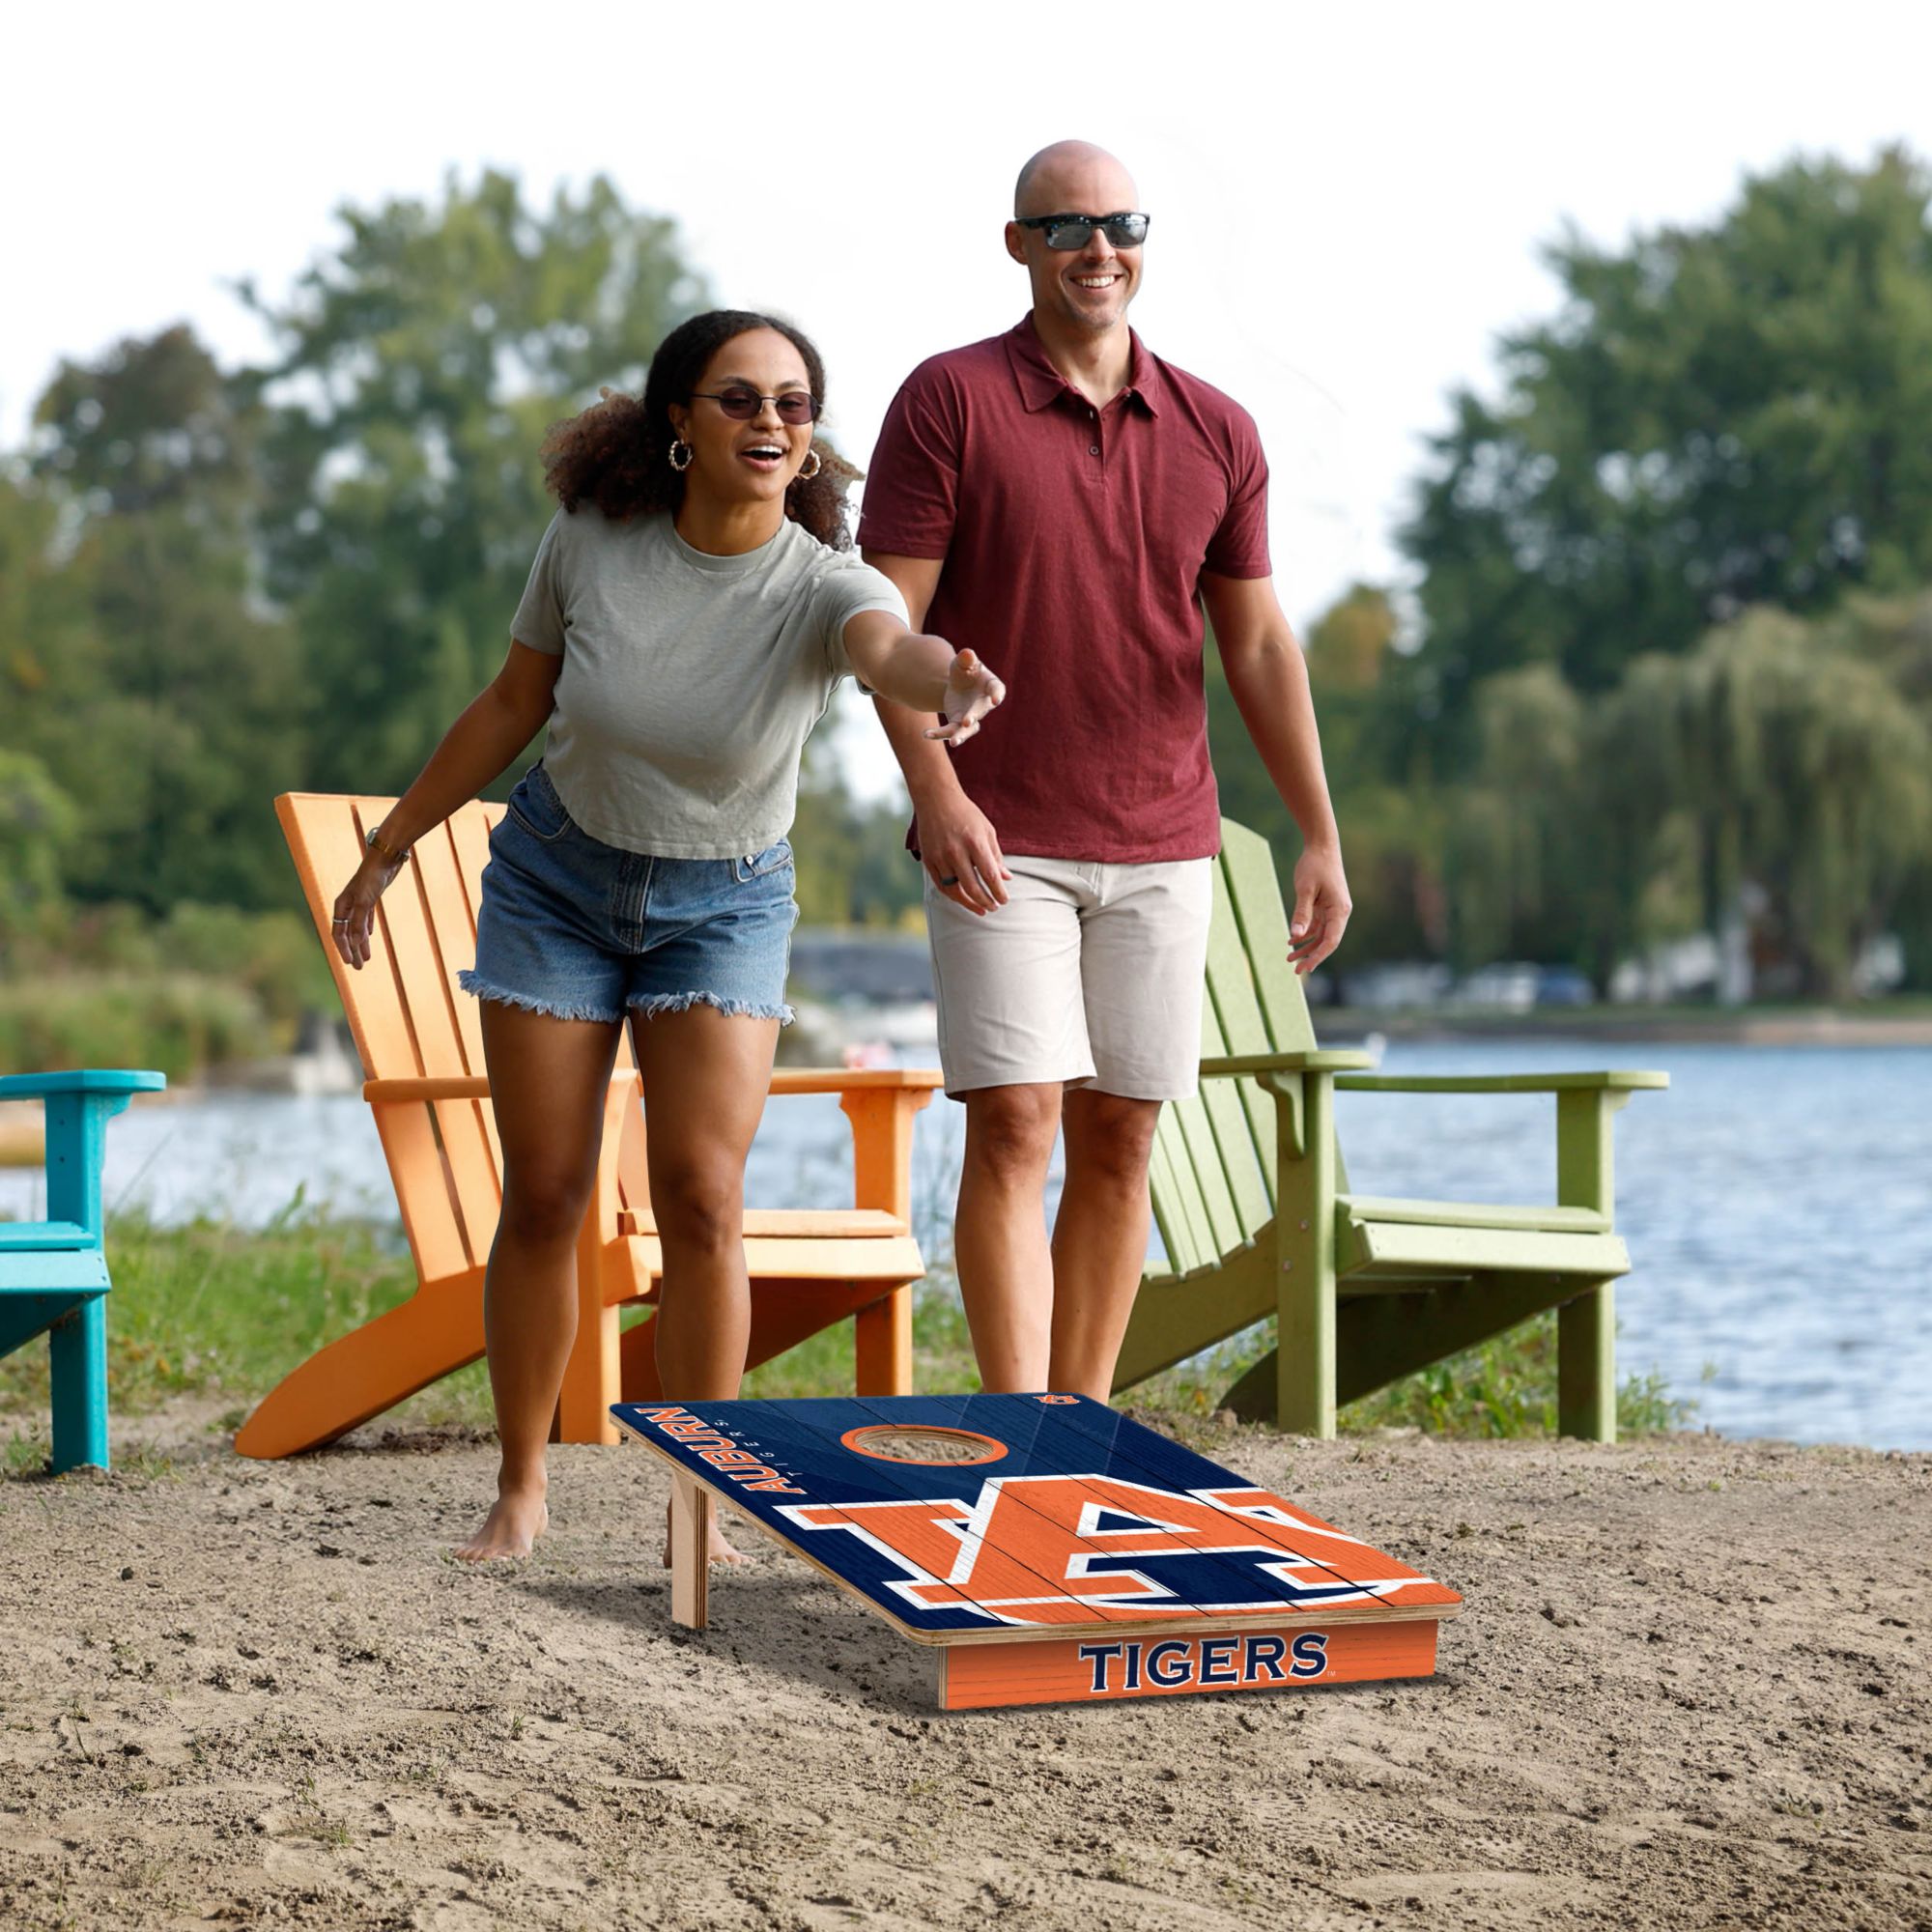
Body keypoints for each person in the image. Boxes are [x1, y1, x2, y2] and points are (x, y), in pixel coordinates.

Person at [329, 309, 1005, 1562]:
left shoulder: (824, 582)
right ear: (680, 425)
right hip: (556, 885)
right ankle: (522, 1487)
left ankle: (705, 1499)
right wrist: (393, 846)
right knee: (546, 1192)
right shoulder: (592, 542)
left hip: (726, 903)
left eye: (793, 405)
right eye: (740, 399)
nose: (769, 423)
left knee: (703, 1198)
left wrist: (946, 683)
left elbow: (887, 652)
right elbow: (512, 702)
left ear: (809, 443)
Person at [857, 140, 1350, 1402]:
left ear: (1144, 240)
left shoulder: (1217, 429)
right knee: (1016, 1122)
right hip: (999, 835)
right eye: (1065, 227)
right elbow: (880, 631)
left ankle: (1079, 1428)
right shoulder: (947, 401)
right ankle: (1021, 1433)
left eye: (1119, 223)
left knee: (1122, 1134)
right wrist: (937, 793)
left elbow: (1257, 642)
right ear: (1017, 245)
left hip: (1164, 840)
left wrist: (1318, 833)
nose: (1097, 247)